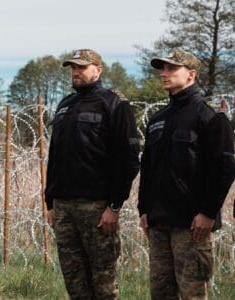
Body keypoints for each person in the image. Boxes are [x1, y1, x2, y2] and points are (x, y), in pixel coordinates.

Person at [138, 50, 235, 300]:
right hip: (159, 222)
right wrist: (143, 209)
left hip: (191, 225)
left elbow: (224, 168)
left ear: (191, 74)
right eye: (163, 68)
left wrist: (208, 213)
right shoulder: (158, 119)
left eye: (172, 69)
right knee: (160, 293)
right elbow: (148, 168)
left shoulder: (210, 117)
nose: (164, 73)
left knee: (191, 294)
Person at [45, 49, 140, 299]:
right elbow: (54, 156)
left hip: (97, 207)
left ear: (98, 70)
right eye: (73, 67)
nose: (76, 72)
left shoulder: (114, 104)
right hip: (64, 206)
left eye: (82, 67)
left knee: (103, 281)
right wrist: (50, 202)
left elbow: (129, 159)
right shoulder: (65, 105)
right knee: (74, 280)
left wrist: (115, 205)